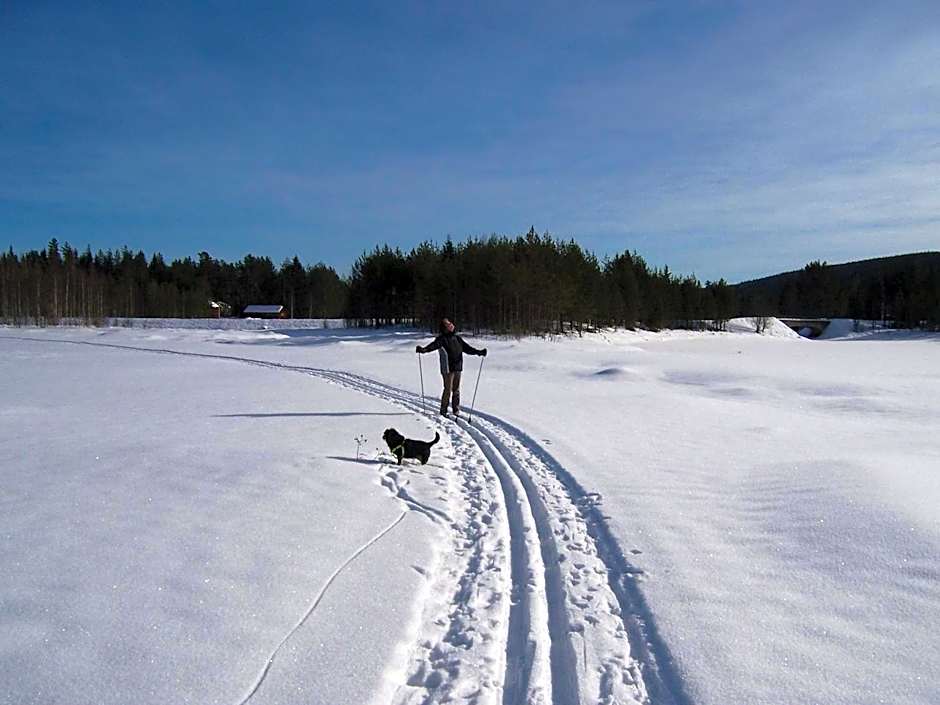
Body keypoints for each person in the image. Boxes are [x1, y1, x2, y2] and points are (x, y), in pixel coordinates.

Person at [416, 318, 487, 417]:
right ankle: (443, 410)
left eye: (450, 323)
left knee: (456, 390)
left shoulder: (457, 339)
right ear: (444, 328)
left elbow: (467, 349)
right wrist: (423, 350)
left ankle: (456, 410)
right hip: (447, 369)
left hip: (458, 367)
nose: (451, 325)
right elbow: (432, 346)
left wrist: (479, 352)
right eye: (448, 324)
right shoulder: (441, 339)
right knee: (448, 389)